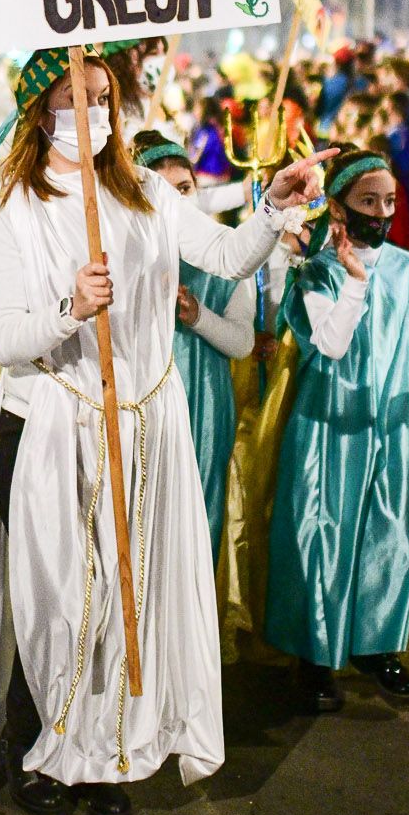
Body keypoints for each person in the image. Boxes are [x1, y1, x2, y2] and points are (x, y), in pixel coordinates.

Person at [0, 47, 330, 815]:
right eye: (74, 98)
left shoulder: (145, 187)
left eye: (103, 96)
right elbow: (5, 337)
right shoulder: (8, 206)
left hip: (145, 423)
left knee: (130, 594)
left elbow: (221, 253)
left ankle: (107, 753)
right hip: (49, 424)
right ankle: (38, 747)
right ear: (38, 109)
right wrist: (70, 308)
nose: (93, 112)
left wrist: (271, 209)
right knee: (55, 601)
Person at [268, 149, 409, 712]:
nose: (381, 212)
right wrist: (353, 279)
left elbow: (408, 331)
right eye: (367, 202)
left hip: (394, 419)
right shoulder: (317, 271)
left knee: (389, 530)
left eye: (389, 202)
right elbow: (330, 342)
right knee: (324, 530)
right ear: (338, 206)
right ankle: (314, 655)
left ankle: (375, 643)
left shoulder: (405, 267)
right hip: (333, 421)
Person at [134, 132, 256, 559]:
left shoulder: (227, 257)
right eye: (161, 192)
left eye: (184, 190)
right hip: (140, 402)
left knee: (199, 524)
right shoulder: (125, 256)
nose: (176, 204)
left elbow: (242, 343)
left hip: (203, 404)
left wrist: (197, 316)